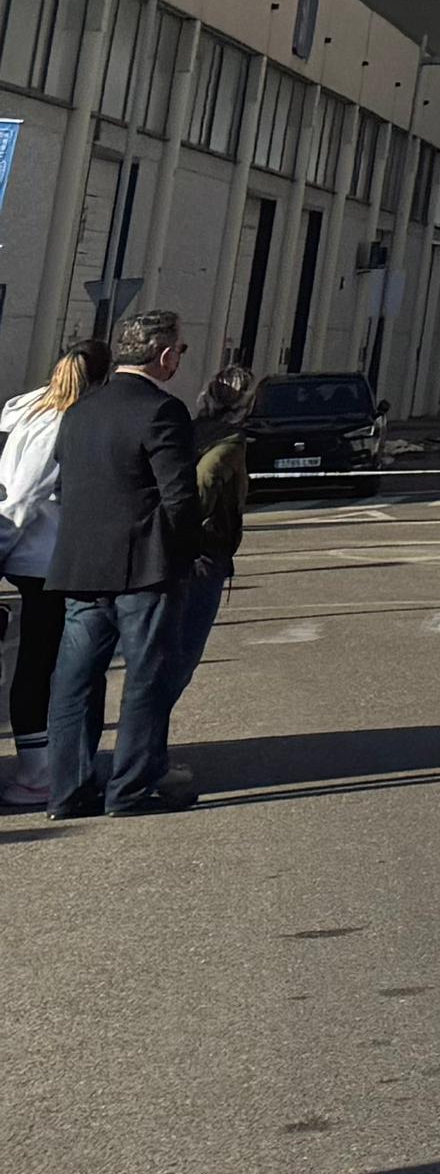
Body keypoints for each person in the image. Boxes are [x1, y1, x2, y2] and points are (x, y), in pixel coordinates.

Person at [27, 305, 203, 816]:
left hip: (80, 565)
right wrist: (187, 555)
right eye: (181, 351)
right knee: (147, 678)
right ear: (165, 354)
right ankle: (131, 788)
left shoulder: (79, 410)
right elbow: (179, 498)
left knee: (75, 682)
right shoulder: (161, 410)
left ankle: (68, 791)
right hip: (145, 568)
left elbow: (64, 486)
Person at [1, 341, 102, 811]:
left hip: (29, 559)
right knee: (45, 668)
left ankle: (41, 766)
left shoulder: (21, 407)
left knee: (36, 665)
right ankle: (37, 772)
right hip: (44, 559)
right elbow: (21, 496)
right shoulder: (62, 418)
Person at [142, 368, 256, 748]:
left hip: (183, 553)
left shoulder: (189, 430)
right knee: (179, 659)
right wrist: (190, 533)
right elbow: (205, 482)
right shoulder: (228, 443)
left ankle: (144, 748)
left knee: (164, 658)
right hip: (202, 557)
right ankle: (146, 751)